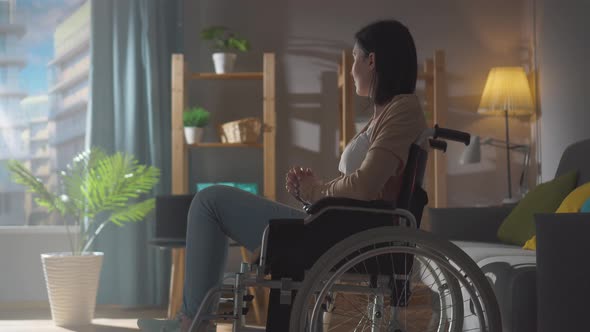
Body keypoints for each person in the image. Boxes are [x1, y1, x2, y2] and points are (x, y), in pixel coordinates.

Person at [138, 19, 427, 332]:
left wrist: (317, 191)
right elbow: (361, 186)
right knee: (211, 202)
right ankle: (193, 322)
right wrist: (312, 192)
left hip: (351, 238)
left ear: (371, 60)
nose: (353, 67)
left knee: (210, 201)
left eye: (355, 58)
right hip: (339, 228)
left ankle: (189, 324)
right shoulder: (384, 115)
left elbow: (367, 185)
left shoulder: (403, 110)